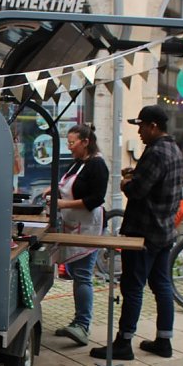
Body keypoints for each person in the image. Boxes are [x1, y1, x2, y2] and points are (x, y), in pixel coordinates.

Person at [90, 105, 183, 360]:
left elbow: (137, 191)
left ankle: (124, 342)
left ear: (153, 126)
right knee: (162, 285)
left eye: (141, 126)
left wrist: (125, 183)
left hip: (144, 232)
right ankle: (164, 340)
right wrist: (136, 174)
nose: (139, 131)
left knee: (132, 287)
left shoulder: (156, 152)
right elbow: (159, 183)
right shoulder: (174, 149)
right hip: (164, 230)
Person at [46, 124, 108, 346]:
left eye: (72, 143)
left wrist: (64, 204)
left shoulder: (97, 165)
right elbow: (68, 186)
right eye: (68, 143)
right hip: (73, 225)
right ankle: (77, 321)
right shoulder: (78, 163)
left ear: (85, 142)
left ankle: (83, 325)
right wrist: (53, 190)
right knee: (75, 272)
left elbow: (96, 199)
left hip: (89, 227)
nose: (69, 147)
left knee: (82, 275)